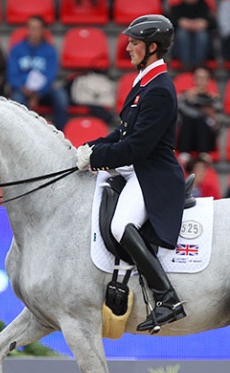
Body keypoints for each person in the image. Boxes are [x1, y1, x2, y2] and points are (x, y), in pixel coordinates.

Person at [76, 15, 187, 333]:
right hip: (134, 167)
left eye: (134, 43)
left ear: (153, 47)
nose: (128, 48)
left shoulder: (160, 89)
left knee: (121, 224)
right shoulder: (146, 82)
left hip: (151, 174)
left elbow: (137, 146)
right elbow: (123, 131)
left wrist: (96, 157)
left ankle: (168, 299)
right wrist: (91, 146)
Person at [7, 15, 68, 130]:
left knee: (61, 96)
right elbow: (12, 74)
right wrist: (24, 88)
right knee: (17, 101)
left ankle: (60, 133)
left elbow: (50, 75)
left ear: (43, 30)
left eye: (36, 28)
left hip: (43, 91)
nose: (33, 31)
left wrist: (37, 93)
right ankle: (20, 132)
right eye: (31, 28)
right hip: (22, 89)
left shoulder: (50, 50)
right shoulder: (17, 49)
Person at [177, 65, 221, 156]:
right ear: (194, 79)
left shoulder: (213, 99)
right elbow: (175, 109)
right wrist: (185, 97)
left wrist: (212, 115)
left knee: (201, 121)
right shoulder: (185, 96)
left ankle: (203, 154)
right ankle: (185, 155)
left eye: (204, 78)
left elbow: (218, 122)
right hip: (188, 133)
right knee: (188, 120)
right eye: (199, 78)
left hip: (205, 136)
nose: (201, 81)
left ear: (208, 80)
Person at [167, 0, 216, 70]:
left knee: (202, 35)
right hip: (181, 42)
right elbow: (170, 22)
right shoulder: (177, 8)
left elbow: (213, 23)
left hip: (201, 37)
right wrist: (180, 22)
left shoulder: (204, 6)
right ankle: (186, 65)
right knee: (182, 34)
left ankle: (200, 64)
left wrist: (205, 23)